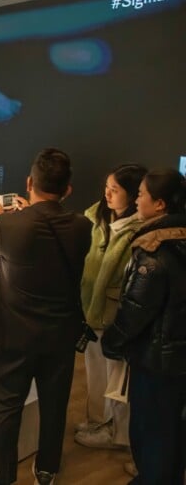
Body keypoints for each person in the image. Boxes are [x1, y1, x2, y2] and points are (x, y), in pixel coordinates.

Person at [0, 148, 91, 485]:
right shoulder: (82, 227)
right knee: (55, 404)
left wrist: (2, 216)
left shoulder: (11, 224)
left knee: (6, 408)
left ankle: (4, 478)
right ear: (67, 189)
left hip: (15, 333)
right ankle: (46, 470)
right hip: (60, 334)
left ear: (28, 183)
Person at [102, 168, 186, 485]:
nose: (137, 200)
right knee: (174, 431)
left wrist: (112, 343)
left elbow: (134, 313)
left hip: (156, 362)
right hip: (178, 360)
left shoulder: (153, 254)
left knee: (151, 430)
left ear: (160, 204)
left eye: (141, 194)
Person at [75, 164, 146, 452]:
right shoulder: (96, 219)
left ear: (132, 195)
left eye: (115, 190)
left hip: (115, 316)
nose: (107, 193)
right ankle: (96, 422)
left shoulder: (137, 230)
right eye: (106, 186)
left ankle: (117, 433)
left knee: (117, 378)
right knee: (95, 371)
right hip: (90, 311)